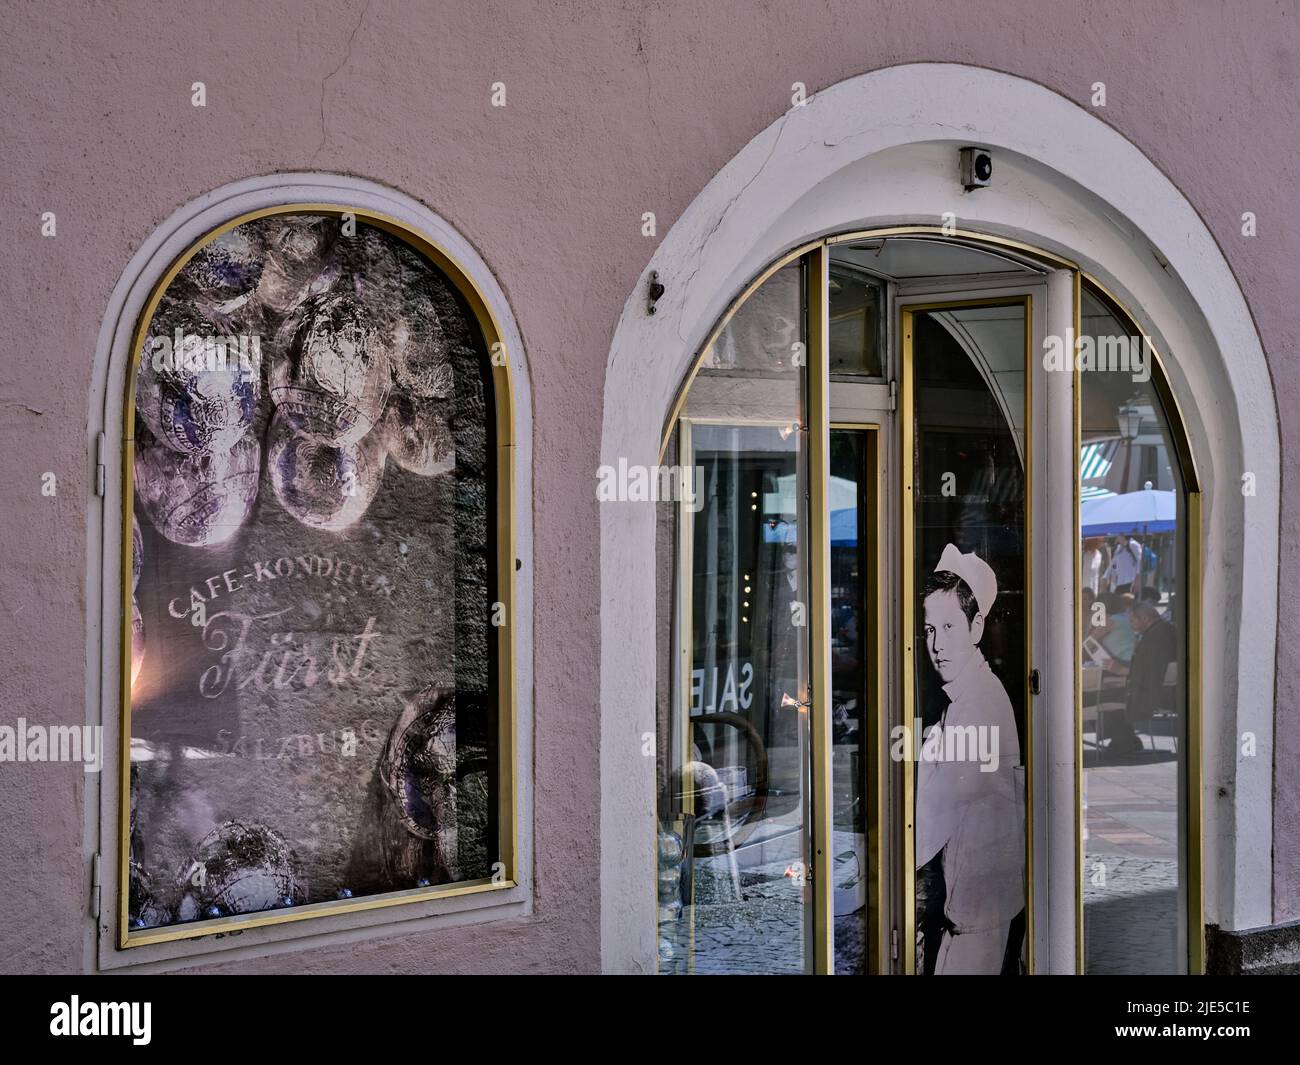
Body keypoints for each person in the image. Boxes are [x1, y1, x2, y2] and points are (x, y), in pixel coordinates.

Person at [915, 544, 1023, 974]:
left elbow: (935, 812)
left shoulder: (978, 703)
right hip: (979, 903)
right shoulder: (965, 696)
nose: (937, 644)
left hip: (979, 911)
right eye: (928, 630)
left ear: (975, 628)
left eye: (948, 626)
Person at [1100, 599, 1176, 755]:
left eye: (1132, 620)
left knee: (1104, 695)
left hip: (1156, 693)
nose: (1131, 625)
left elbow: (1147, 673)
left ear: (1145, 619)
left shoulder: (1154, 639)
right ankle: (1127, 739)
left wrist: (1119, 669)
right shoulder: (1164, 631)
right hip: (1166, 689)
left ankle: (1123, 741)